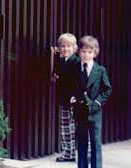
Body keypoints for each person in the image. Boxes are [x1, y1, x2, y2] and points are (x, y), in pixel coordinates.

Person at [71, 36, 112, 168]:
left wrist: (98, 103)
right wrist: (72, 97)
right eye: (83, 51)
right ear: (79, 52)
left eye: (90, 52)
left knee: (95, 143)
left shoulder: (100, 70)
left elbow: (107, 89)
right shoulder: (75, 68)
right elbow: (70, 85)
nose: (86, 55)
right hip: (80, 111)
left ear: (95, 53)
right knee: (82, 143)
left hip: (94, 112)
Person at [52, 33, 80, 162]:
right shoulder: (61, 61)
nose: (65, 49)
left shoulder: (77, 62)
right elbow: (57, 73)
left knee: (78, 127)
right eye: (63, 46)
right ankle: (68, 154)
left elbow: (80, 82)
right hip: (64, 99)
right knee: (65, 128)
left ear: (75, 48)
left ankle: (88, 153)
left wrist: (76, 96)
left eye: (69, 46)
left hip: (74, 100)